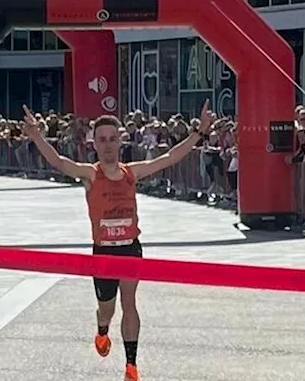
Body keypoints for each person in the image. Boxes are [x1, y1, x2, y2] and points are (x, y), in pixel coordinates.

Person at [20, 101, 215, 381]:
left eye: (113, 139)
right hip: (103, 253)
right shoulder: (90, 174)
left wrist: (199, 132)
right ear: (95, 144)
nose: (108, 145)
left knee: (130, 302)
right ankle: (101, 328)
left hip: (130, 248)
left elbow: (168, 158)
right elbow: (60, 163)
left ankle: (131, 365)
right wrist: (37, 135)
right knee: (107, 310)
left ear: (120, 141)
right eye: (102, 140)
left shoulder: (131, 172)